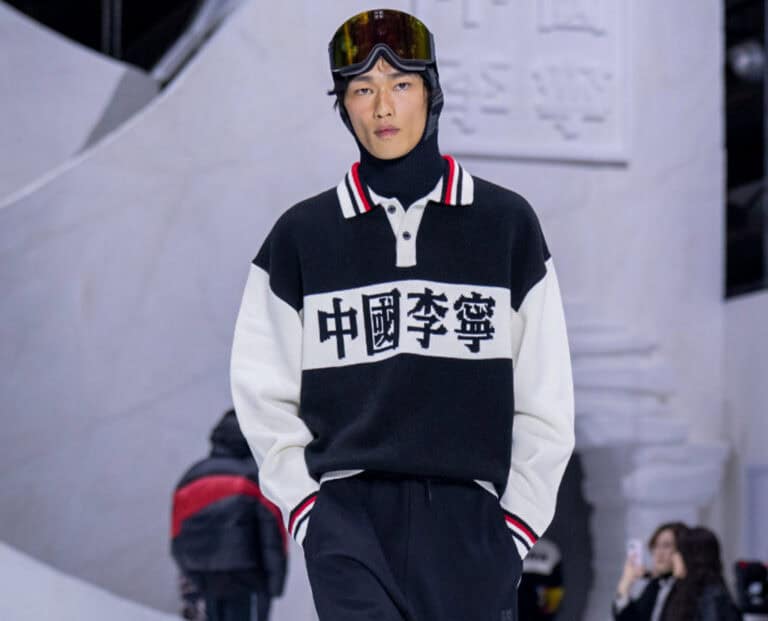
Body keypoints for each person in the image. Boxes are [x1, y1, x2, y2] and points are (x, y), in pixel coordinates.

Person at [230, 8, 575, 620]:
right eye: (362, 89)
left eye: (400, 84)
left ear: (431, 91)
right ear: (344, 106)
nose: (383, 106)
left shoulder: (505, 225)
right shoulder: (302, 236)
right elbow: (262, 391)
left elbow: (545, 395)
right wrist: (309, 512)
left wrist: (514, 528)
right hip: (348, 522)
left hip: (472, 526)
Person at [171, 410, 287, 621]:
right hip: (248, 578)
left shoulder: (190, 477)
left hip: (204, 579)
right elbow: (273, 534)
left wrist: (190, 578)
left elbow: (177, 534)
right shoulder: (254, 477)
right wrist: (275, 583)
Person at [613, 522, 688, 621]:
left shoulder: (690, 586)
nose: (659, 553)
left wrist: (680, 579)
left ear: (680, 550)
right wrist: (625, 583)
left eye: (666, 546)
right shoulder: (656, 584)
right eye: (655, 546)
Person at [662, 526, 741, 621]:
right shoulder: (685, 591)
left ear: (690, 558)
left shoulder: (711, 597)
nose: (674, 558)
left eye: (678, 553)